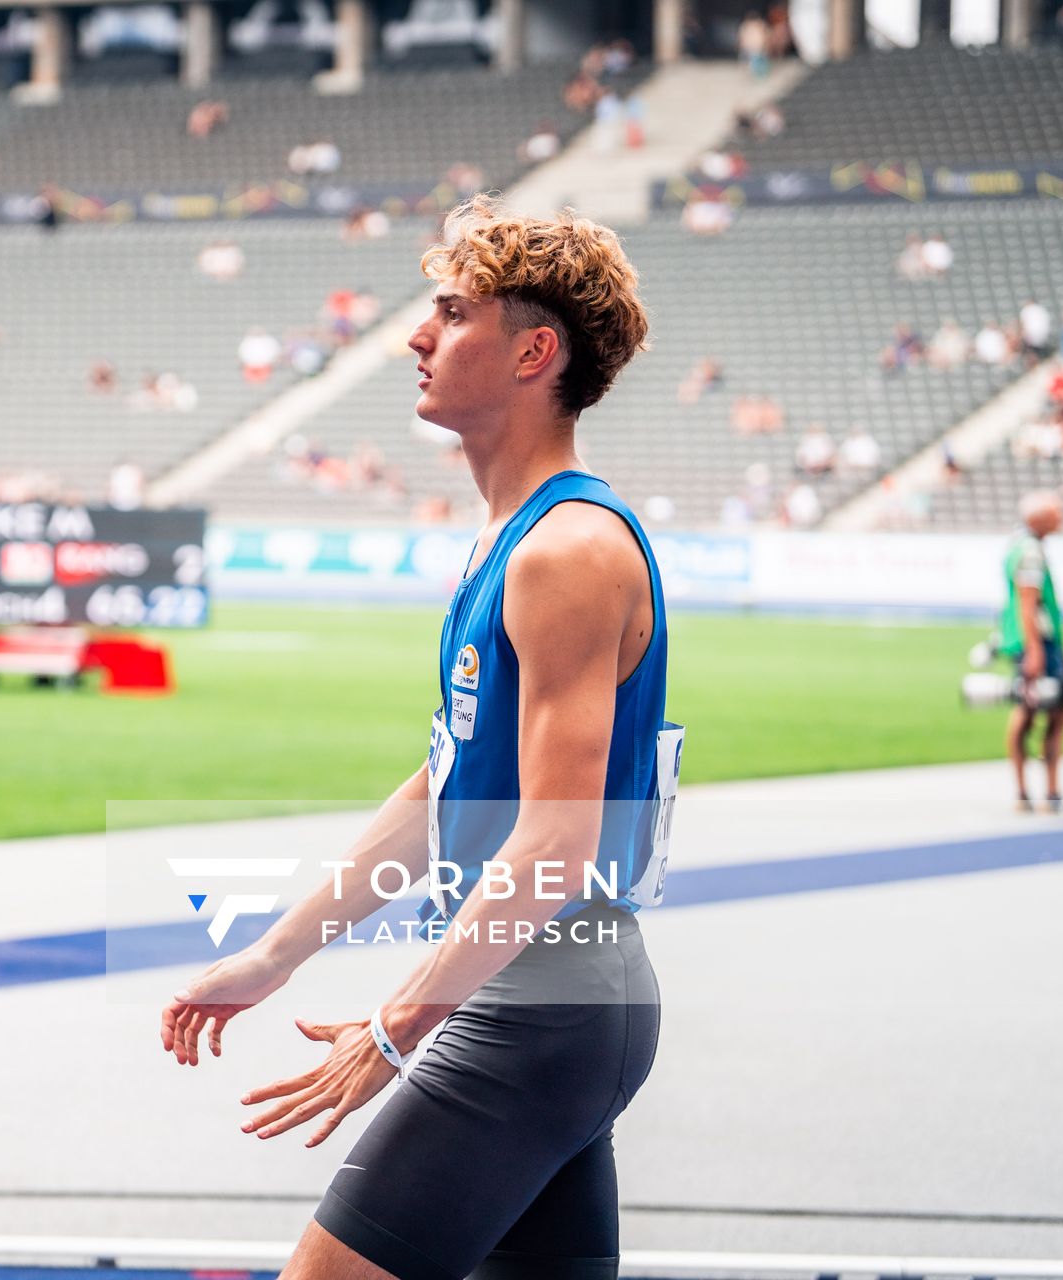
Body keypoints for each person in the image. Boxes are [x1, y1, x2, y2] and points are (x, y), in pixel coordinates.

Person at [161, 197, 667, 1280]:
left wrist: (396, 1027)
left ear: (535, 350)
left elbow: (553, 845)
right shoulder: (514, 537)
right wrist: (272, 954)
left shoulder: (565, 552)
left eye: (451, 310)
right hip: (551, 1001)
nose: (414, 335)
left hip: (542, 1005)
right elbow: (446, 789)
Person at [1002, 491, 1063, 813]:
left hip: (1031, 643)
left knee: (1030, 710)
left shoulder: (1023, 545)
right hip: (1039, 644)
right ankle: (1043, 790)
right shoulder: (1030, 552)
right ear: (1038, 517)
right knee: (1044, 711)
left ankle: (1029, 791)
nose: (1061, 517)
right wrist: (1036, 651)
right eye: (1056, 512)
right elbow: (1028, 605)